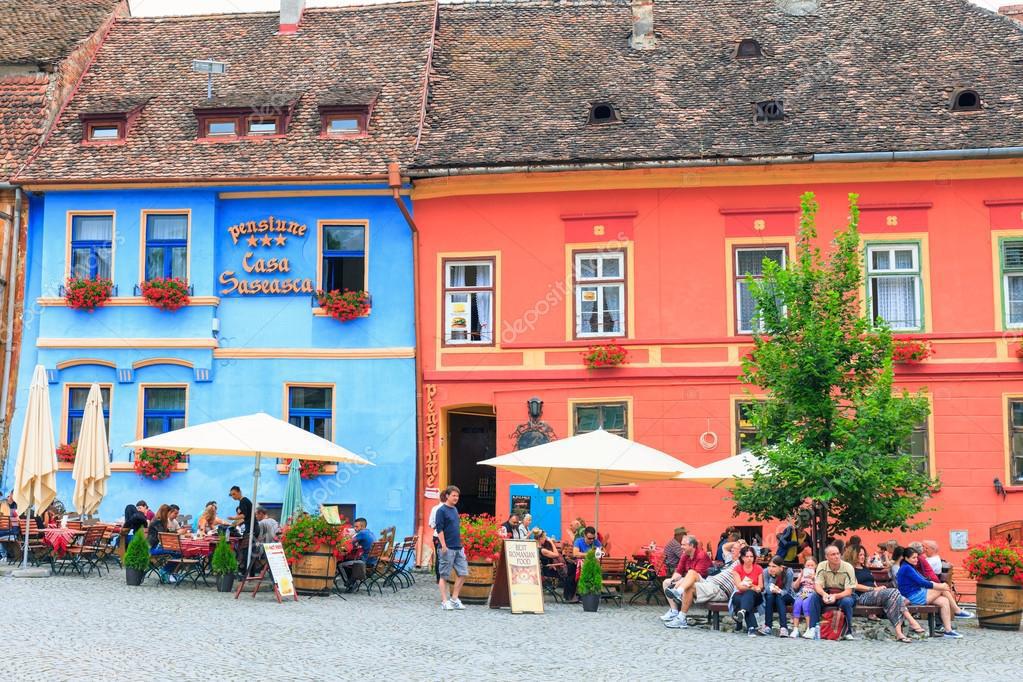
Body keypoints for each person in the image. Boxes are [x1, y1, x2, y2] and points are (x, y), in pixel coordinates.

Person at [850, 545, 925, 642]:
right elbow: (855, 585)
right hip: (862, 596)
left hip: (875, 595)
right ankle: (912, 622)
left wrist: (879, 589)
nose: (862, 557)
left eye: (863, 555)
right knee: (895, 592)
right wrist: (874, 589)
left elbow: (874, 583)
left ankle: (899, 633)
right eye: (860, 555)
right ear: (853, 555)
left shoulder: (865, 569)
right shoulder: (851, 569)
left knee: (895, 599)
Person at [897, 546, 967, 638]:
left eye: (917, 557)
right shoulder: (906, 568)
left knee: (944, 601)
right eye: (913, 558)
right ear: (906, 558)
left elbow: (922, 579)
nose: (916, 560)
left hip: (917, 593)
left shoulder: (909, 566)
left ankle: (948, 630)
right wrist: (939, 586)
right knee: (942, 589)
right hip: (912, 597)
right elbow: (921, 582)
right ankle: (957, 611)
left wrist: (936, 584)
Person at [663, 557, 737, 629]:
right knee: (692, 572)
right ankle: (678, 592)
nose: (732, 550)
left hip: (719, 589)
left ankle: (681, 618)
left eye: (736, 548)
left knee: (690, 587)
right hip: (709, 582)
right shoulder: (731, 561)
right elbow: (725, 547)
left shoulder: (742, 564)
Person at [808, 544, 858, 640]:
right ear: (827, 557)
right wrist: (824, 594)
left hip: (844, 594)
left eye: (838, 553)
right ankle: (812, 628)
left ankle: (848, 631)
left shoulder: (848, 567)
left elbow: (849, 591)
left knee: (846, 602)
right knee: (814, 596)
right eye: (833, 554)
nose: (837, 556)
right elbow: (817, 585)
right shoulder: (822, 565)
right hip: (827, 593)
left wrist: (835, 596)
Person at [661, 536, 711, 622]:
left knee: (690, 574)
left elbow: (696, 575)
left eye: (684, 545)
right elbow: (678, 572)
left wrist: (680, 582)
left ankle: (677, 592)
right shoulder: (685, 555)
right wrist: (672, 581)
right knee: (666, 582)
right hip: (688, 580)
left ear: (692, 545)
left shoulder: (701, 555)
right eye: (681, 544)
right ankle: (674, 611)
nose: (681, 547)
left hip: (703, 583)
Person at [435, 485, 468, 610]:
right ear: (447, 496)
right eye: (453, 495)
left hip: (458, 547)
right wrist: (443, 545)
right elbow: (439, 529)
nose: (456, 498)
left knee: (463, 573)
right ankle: (444, 601)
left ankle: (454, 599)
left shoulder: (454, 509)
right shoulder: (441, 510)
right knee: (444, 576)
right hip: (447, 548)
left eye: (457, 496)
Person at [534, 527, 577, 602]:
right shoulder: (543, 550)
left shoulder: (537, 547)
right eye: (545, 537)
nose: (546, 539)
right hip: (548, 570)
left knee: (572, 570)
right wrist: (551, 542)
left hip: (550, 568)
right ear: (540, 538)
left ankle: (569, 595)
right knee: (573, 569)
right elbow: (556, 554)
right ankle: (569, 596)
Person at [731, 546, 765, 636]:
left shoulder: (758, 568)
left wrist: (751, 587)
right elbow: (739, 587)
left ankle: (741, 613)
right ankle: (751, 628)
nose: (749, 559)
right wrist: (753, 587)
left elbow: (760, 587)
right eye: (747, 556)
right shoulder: (737, 569)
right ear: (742, 557)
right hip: (740, 594)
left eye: (751, 556)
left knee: (749, 594)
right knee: (744, 601)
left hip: (755, 596)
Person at [761, 556, 796, 636]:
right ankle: (768, 626)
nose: (771, 568)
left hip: (786, 595)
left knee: (779, 597)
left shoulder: (788, 572)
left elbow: (787, 590)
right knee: (770, 597)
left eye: (774, 566)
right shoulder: (766, 572)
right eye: (769, 566)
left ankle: (783, 628)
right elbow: (767, 590)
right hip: (772, 596)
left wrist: (779, 591)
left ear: (781, 567)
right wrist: (773, 577)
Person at [791, 556, 817, 638]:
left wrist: (813, 579)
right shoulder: (802, 574)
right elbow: (795, 587)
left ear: (815, 566)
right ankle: (795, 629)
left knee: (806, 603)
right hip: (804, 592)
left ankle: (809, 628)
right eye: (807, 565)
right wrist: (800, 576)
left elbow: (819, 587)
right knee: (797, 603)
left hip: (813, 592)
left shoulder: (818, 574)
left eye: (811, 565)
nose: (809, 567)